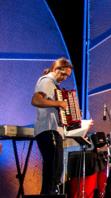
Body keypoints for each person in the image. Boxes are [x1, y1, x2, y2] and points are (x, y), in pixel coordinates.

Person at [31, 57, 73, 195]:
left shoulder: (53, 84)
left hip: (53, 130)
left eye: (67, 76)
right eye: (63, 74)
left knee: (54, 171)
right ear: (56, 69)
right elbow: (36, 100)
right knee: (53, 170)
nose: (65, 78)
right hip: (48, 130)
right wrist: (59, 104)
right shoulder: (46, 81)